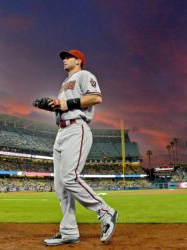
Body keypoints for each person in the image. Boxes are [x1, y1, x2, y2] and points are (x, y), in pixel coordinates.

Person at [44, 49, 118, 246]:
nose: (64, 60)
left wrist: (66, 103)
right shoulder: (63, 85)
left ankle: (105, 211)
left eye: (68, 57)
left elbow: (95, 97)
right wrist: (53, 105)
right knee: (61, 186)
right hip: (61, 132)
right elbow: (64, 105)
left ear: (78, 61)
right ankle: (69, 232)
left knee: (70, 177)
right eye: (63, 58)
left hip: (77, 128)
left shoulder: (85, 75)